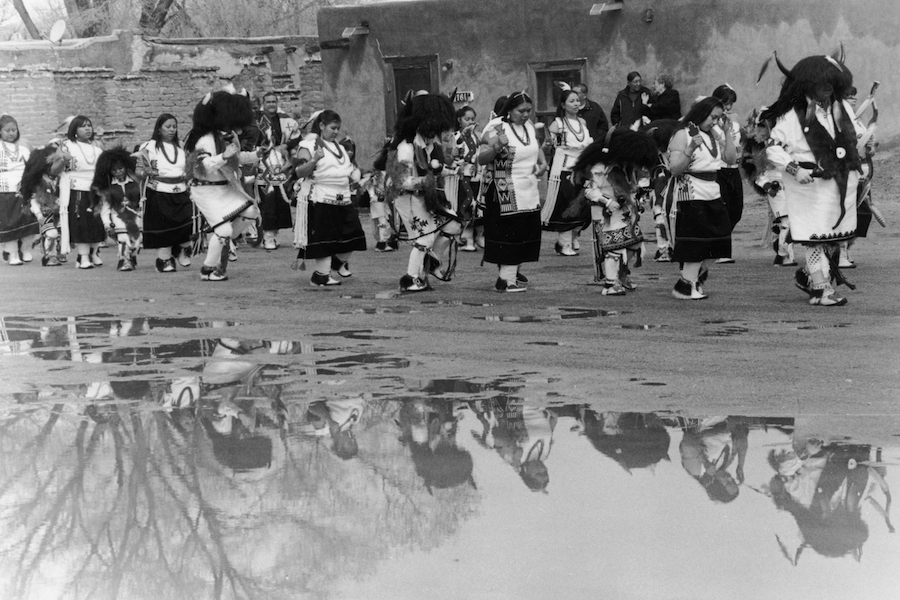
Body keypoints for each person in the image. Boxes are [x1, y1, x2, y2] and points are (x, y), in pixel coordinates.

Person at [762, 54, 864, 306]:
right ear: (808, 85)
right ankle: (821, 289)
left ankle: (808, 275)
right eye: (821, 82)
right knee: (814, 237)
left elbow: (856, 134)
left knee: (833, 237)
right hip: (808, 184)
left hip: (839, 183)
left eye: (831, 81)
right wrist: (794, 168)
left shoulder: (843, 108)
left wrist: (864, 144)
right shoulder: (792, 116)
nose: (828, 87)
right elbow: (773, 148)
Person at [386, 91, 462, 293]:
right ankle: (410, 278)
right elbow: (399, 181)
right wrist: (426, 180)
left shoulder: (427, 144)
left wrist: (452, 171)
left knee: (453, 225)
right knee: (424, 238)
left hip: (425, 197)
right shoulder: (405, 147)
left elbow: (432, 168)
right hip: (407, 199)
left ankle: (430, 262)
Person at [184, 87, 262, 282]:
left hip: (225, 187)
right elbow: (202, 166)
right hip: (204, 189)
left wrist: (256, 155)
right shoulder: (203, 139)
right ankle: (207, 269)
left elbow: (237, 158)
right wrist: (222, 156)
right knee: (224, 230)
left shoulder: (226, 136)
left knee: (252, 212)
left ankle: (220, 238)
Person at [666, 96, 736, 300]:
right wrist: (689, 150)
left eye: (718, 118)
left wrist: (728, 134)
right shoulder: (683, 134)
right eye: (712, 117)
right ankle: (686, 286)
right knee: (696, 243)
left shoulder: (714, 133)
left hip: (713, 191)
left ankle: (691, 280)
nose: (714, 122)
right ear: (701, 113)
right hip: (691, 194)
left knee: (720, 240)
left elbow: (731, 159)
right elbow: (675, 169)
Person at [572, 130, 658, 295]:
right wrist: (607, 201)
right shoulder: (599, 167)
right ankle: (611, 283)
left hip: (626, 214)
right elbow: (589, 191)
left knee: (636, 246)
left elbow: (631, 188)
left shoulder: (627, 167)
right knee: (614, 249)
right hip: (607, 215)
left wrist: (636, 200)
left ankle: (621, 274)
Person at [478, 92, 547, 292]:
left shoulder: (529, 126)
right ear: (509, 109)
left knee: (525, 232)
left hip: (527, 188)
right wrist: (496, 148)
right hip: (503, 190)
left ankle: (508, 277)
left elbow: (535, 147)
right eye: (521, 111)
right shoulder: (496, 127)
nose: (525, 115)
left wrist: (542, 163)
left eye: (528, 110)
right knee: (510, 235)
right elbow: (481, 159)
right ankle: (506, 280)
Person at [293, 110, 366, 287]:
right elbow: (299, 172)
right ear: (321, 126)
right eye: (332, 128)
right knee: (325, 238)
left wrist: (357, 177)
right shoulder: (308, 145)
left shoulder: (339, 147)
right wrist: (314, 160)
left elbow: (347, 171)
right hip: (321, 197)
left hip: (344, 198)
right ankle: (321, 275)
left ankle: (332, 267)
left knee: (354, 235)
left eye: (338, 129)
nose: (335, 132)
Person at [137, 114, 194, 273]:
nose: (172, 130)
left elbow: (189, 168)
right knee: (164, 228)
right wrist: (148, 171)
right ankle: (164, 260)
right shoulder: (149, 147)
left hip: (181, 191)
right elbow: (139, 171)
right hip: (159, 191)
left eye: (174, 127)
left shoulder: (181, 147)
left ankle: (182, 250)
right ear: (159, 129)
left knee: (186, 222)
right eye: (167, 127)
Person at [542, 89, 593, 256]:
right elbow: (546, 147)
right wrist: (548, 145)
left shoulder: (583, 123)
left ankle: (572, 236)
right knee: (567, 205)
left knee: (583, 204)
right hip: (564, 170)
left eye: (577, 100)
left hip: (583, 169)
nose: (576, 104)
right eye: (572, 101)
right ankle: (564, 243)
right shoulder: (558, 124)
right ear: (563, 105)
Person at [53, 116, 106, 269]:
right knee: (81, 222)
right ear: (74, 130)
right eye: (83, 126)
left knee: (97, 222)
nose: (88, 129)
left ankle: (94, 252)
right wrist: (63, 160)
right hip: (75, 190)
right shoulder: (66, 146)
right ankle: (83, 257)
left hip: (94, 189)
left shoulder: (98, 147)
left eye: (89, 125)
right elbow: (54, 170)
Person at [257, 92, 301, 250]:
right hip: (263, 166)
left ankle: (273, 235)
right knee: (268, 201)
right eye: (268, 102)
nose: (271, 104)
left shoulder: (286, 119)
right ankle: (267, 237)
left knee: (279, 200)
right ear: (264, 103)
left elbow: (297, 137)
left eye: (273, 101)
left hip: (281, 165)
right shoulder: (258, 120)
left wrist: (285, 146)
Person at [92, 147, 142, 271]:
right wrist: (107, 223)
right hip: (118, 215)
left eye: (120, 169)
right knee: (123, 238)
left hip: (136, 215)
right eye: (114, 170)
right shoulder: (109, 187)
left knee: (136, 240)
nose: (118, 172)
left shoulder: (136, 183)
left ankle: (131, 256)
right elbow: (105, 207)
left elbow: (142, 200)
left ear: (126, 168)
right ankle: (124, 260)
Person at [710, 84, 743, 264]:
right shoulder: (711, 120)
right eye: (725, 103)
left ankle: (718, 242)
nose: (728, 107)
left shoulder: (735, 119)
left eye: (731, 103)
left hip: (734, 168)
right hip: (718, 168)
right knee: (722, 209)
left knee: (736, 210)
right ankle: (722, 249)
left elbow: (742, 138)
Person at [0, 115, 39, 266]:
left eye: (14, 130)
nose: (11, 133)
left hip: (23, 189)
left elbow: (31, 168)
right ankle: (13, 253)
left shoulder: (23, 148)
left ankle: (26, 249)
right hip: (5, 190)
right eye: (7, 130)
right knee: (9, 222)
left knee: (27, 219)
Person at [18, 143, 65, 266]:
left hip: (60, 212)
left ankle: (58, 253)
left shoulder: (62, 178)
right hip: (45, 212)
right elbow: (33, 200)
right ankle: (49, 256)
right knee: (51, 233)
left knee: (60, 234)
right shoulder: (39, 183)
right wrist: (38, 213)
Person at [451, 105, 481, 252]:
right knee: (466, 204)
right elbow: (452, 156)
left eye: (472, 119)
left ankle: (477, 236)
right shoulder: (455, 137)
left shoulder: (478, 137)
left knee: (476, 205)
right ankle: (467, 238)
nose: (470, 122)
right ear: (459, 120)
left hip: (477, 176)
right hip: (462, 176)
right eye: (466, 119)